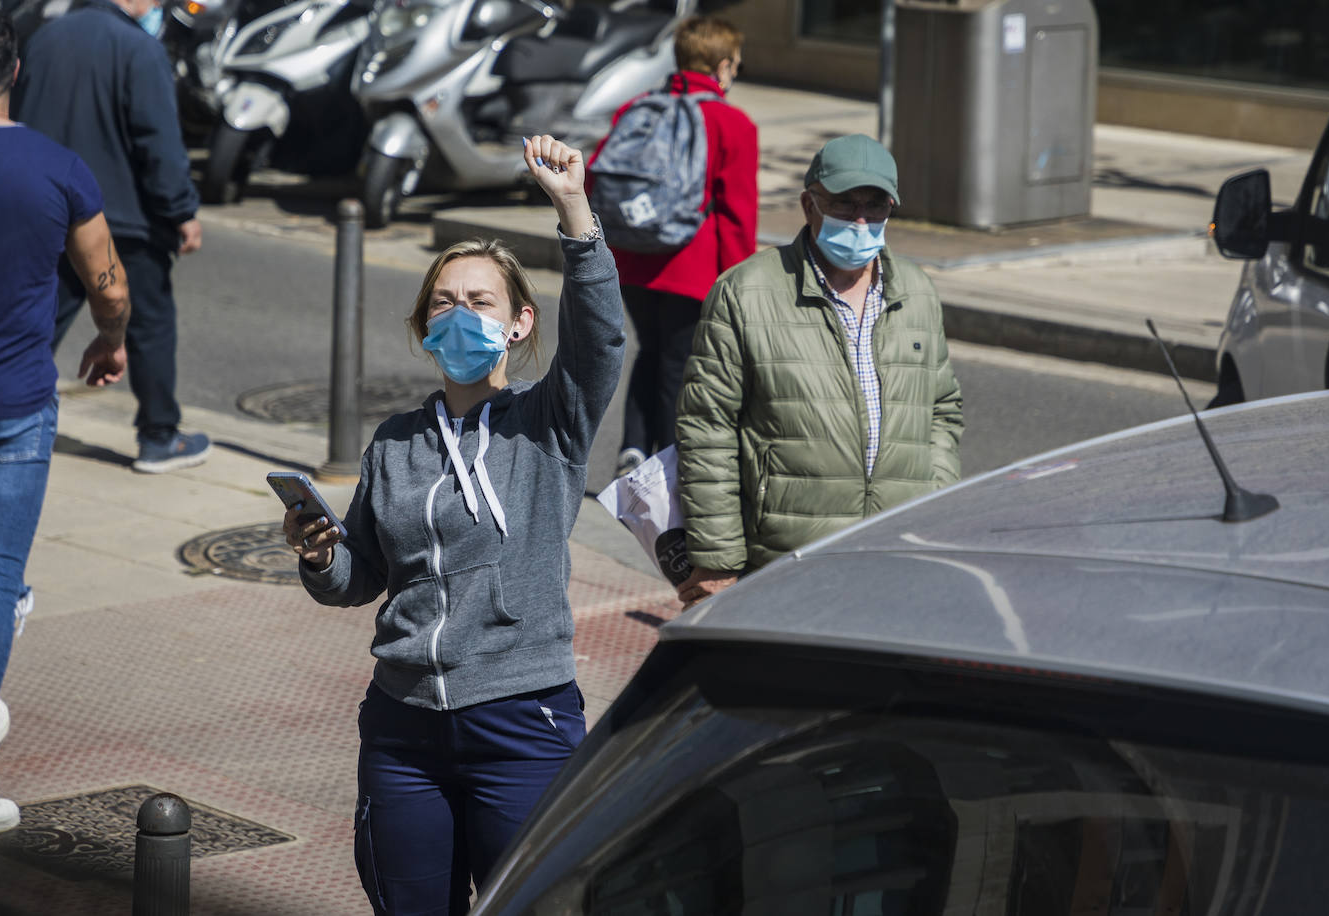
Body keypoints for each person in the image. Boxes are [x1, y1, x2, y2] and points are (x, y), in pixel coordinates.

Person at [283, 135, 623, 915]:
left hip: (521, 721)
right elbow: (360, 575)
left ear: (517, 323)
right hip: (403, 732)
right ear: (424, 325)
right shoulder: (397, 439)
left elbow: (601, 341)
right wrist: (319, 557)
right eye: (444, 302)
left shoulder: (547, 423)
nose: (460, 314)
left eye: (480, 301)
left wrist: (574, 210)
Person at [675, 133, 964, 606]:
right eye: (845, 205)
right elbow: (707, 428)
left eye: (877, 206)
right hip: (787, 558)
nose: (862, 221)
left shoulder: (916, 291)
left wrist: (932, 496)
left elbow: (942, 409)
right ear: (809, 205)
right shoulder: (746, 292)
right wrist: (717, 557)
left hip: (895, 552)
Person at [0, 5, 131, 833]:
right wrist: (110, 341)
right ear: (15, 76)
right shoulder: (56, 166)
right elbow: (107, 283)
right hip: (13, 408)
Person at [13, 0, 207, 474]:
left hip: (48, 211)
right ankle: (159, 435)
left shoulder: (43, 38)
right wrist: (181, 211)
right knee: (149, 326)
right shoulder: (139, 49)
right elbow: (158, 142)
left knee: (34, 326)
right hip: (123, 221)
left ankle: (0, 417)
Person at [589, 15, 757, 477]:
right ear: (722, 67)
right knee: (679, 364)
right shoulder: (732, 122)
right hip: (692, 268)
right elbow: (737, 215)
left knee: (650, 350)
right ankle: (665, 465)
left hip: (632, 260)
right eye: (736, 66)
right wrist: (740, 282)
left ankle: (635, 447)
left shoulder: (638, 108)